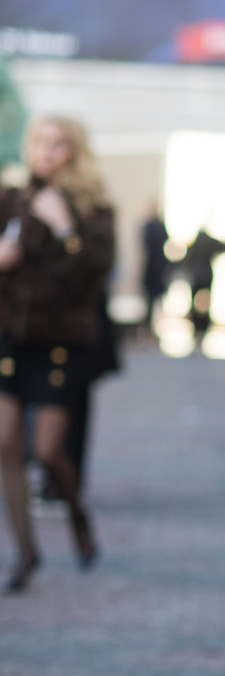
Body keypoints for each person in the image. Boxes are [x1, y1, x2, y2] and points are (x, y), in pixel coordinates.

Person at [0, 115, 113, 591]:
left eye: (59, 144)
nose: (47, 152)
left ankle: (76, 512)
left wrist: (65, 228)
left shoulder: (92, 208)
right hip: (9, 337)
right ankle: (26, 552)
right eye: (40, 142)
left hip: (60, 342)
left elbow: (93, 274)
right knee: (4, 443)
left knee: (47, 451)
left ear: (75, 151)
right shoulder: (11, 198)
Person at [141, 205, 170, 327]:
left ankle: (154, 323)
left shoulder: (152, 226)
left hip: (155, 265)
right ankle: (151, 324)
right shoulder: (153, 226)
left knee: (153, 298)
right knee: (152, 298)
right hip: (155, 265)